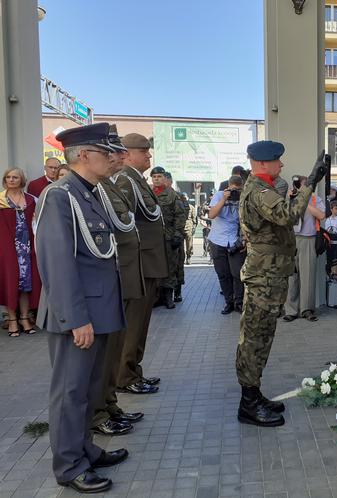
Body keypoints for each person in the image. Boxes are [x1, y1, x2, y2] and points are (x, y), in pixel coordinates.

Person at [34, 123, 127, 494]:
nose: (112, 159)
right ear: (84, 155)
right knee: (70, 393)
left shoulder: (89, 193)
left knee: (88, 390)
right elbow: (57, 263)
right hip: (79, 317)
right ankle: (69, 465)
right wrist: (77, 319)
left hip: (98, 312)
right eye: (106, 153)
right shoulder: (60, 196)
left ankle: (84, 448)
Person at [236, 141, 327, 427]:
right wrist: (311, 183)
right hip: (263, 276)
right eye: (278, 160)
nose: (282, 165)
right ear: (264, 163)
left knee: (262, 337)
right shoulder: (259, 191)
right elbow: (288, 215)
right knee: (254, 338)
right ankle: (248, 403)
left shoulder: (265, 187)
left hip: (270, 275)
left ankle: (254, 393)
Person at [90, 125, 145, 437]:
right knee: (103, 353)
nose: (118, 157)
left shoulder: (106, 185)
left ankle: (108, 403)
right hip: (104, 283)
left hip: (118, 276)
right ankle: (98, 412)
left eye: (119, 151)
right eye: (112, 151)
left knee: (113, 348)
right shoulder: (85, 190)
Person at [115, 133, 167, 395]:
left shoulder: (136, 179)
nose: (148, 155)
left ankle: (134, 371)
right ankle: (125, 376)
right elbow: (125, 226)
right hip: (139, 263)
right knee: (134, 322)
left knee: (141, 321)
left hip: (147, 261)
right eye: (143, 151)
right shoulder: (125, 179)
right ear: (127, 153)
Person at [0, 168, 41, 337]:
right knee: (10, 282)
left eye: (15, 177)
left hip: (26, 248)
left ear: (22, 180)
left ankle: (24, 317)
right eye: (8, 177)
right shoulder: (1, 200)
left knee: (26, 283)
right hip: (6, 248)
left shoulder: (32, 200)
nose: (11, 180)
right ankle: (12, 320)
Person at [283, 175, 326, 322]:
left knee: (307, 275)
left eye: (299, 185)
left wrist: (304, 201)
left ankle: (306, 309)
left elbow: (321, 215)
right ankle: (290, 310)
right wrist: (290, 199)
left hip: (308, 239)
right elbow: (282, 216)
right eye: (295, 185)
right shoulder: (290, 199)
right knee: (291, 276)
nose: (297, 187)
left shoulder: (315, 199)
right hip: (291, 240)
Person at [208, 175, 246, 314]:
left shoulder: (243, 198)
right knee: (223, 274)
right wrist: (224, 199)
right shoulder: (219, 195)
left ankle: (239, 302)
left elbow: (246, 220)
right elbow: (211, 215)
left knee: (237, 274)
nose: (235, 192)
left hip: (235, 241)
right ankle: (229, 302)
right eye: (232, 189)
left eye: (238, 189)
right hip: (217, 240)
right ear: (228, 186)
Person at [164, 172, 188, 302]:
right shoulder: (154, 195)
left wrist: (178, 234)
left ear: (169, 181)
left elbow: (183, 214)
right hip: (162, 237)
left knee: (177, 265)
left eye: (163, 179)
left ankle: (177, 292)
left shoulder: (177, 196)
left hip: (175, 236)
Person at [183, 193, 197, 265]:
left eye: (185, 197)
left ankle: (188, 257)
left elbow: (194, 219)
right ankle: (181, 258)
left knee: (189, 245)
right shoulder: (178, 206)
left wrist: (194, 228)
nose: (184, 199)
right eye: (183, 198)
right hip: (180, 228)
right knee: (180, 245)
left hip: (189, 228)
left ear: (187, 198)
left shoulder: (191, 207)